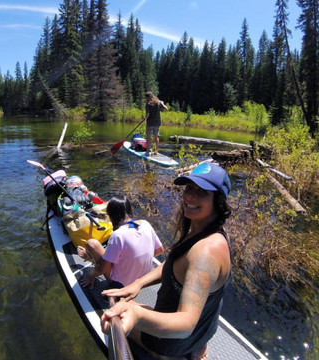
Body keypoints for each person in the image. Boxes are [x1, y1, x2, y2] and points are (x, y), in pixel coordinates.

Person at [101, 162, 232, 360]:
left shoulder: (205, 252)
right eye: (189, 188)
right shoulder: (212, 233)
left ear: (219, 201)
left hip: (173, 340)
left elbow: (186, 323)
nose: (189, 196)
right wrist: (139, 283)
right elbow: (176, 266)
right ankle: (197, 348)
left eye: (202, 192)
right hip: (202, 333)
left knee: (118, 315)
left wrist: (138, 315)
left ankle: (168, 355)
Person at [77, 195, 164, 288]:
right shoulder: (145, 224)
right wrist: (136, 260)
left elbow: (101, 270)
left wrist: (91, 276)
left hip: (122, 284)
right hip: (144, 279)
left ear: (111, 215)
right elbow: (160, 250)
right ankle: (92, 257)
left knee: (92, 244)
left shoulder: (118, 235)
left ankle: (90, 258)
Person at [144, 91, 168, 156]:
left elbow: (148, 114)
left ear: (148, 97)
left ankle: (147, 152)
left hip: (150, 123)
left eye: (146, 97)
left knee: (148, 137)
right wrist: (162, 103)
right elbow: (166, 109)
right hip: (157, 123)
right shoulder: (158, 103)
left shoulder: (148, 104)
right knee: (156, 137)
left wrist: (145, 118)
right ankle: (156, 151)